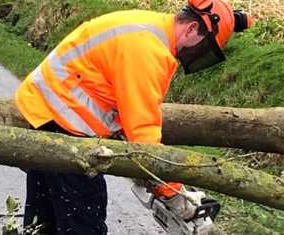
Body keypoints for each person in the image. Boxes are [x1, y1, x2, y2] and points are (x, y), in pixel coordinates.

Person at [13, 0, 253, 233]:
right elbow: (143, 132)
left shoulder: (151, 27)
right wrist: (173, 193)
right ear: (191, 29)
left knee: (43, 218)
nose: (200, 55)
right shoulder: (148, 51)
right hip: (63, 123)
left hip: (44, 110)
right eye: (205, 47)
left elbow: (122, 103)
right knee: (85, 222)